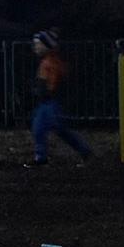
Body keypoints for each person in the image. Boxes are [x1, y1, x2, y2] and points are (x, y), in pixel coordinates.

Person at [29, 29, 92, 165]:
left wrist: (41, 91)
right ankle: (41, 156)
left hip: (50, 102)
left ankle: (82, 150)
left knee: (54, 128)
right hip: (47, 102)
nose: (36, 47)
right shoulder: (49, 61)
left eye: (38, 44)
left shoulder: (50, 63)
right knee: (42, 128)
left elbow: (51, 84)